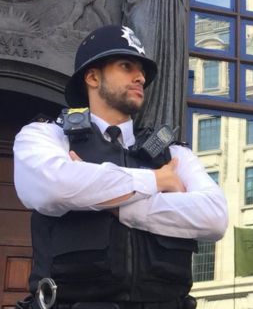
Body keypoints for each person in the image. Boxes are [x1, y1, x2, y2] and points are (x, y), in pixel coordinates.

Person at [13, 25, 228, 309]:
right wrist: (156, 182)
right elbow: (53, 187)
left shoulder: (174, 153)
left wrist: (115, 204)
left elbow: (214, 217)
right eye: (126, 66)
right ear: (92, 77)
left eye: (141, 71)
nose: (140, 77)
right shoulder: (47, 136)